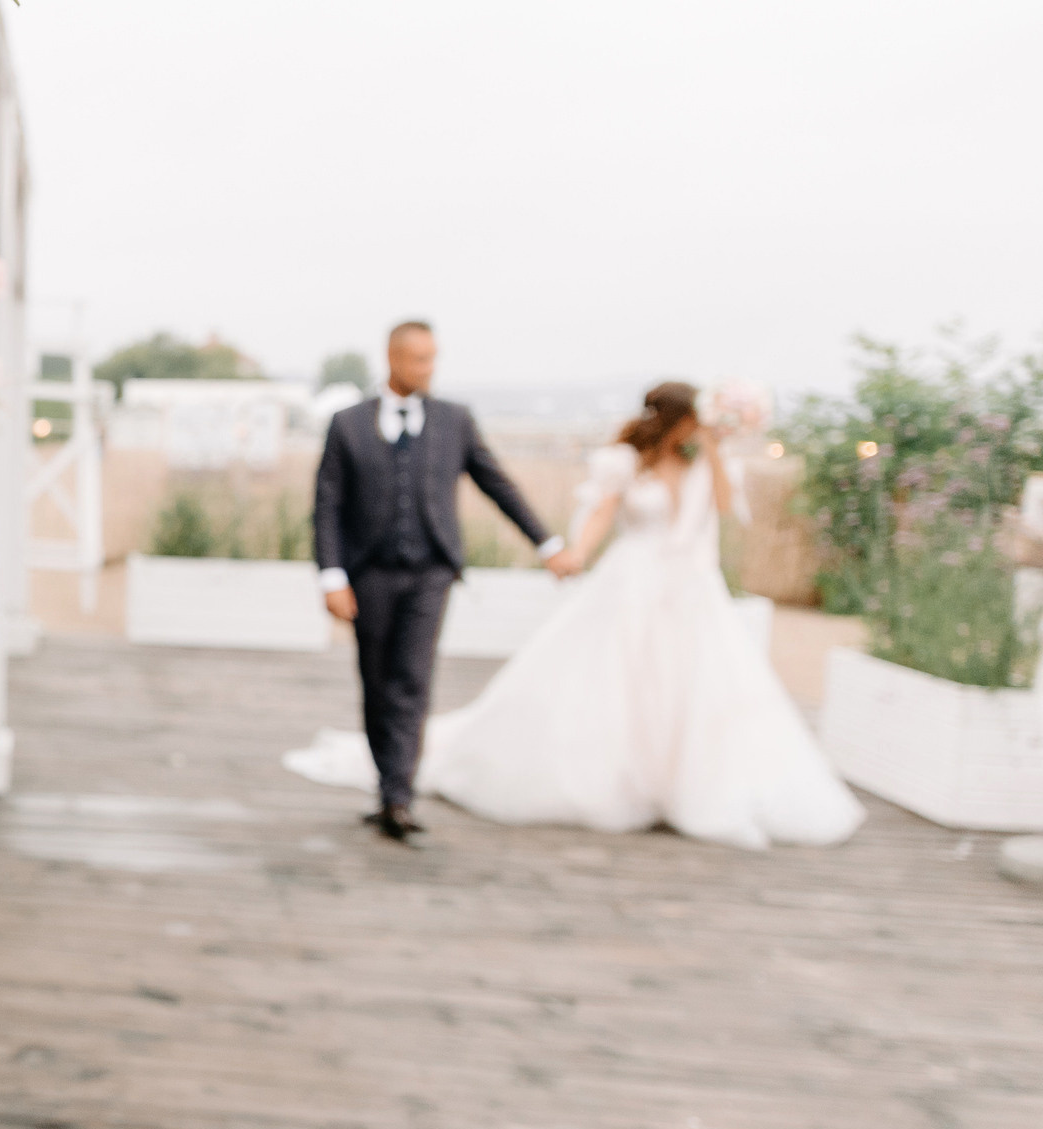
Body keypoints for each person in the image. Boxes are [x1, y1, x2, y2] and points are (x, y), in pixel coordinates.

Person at [291, 381, 864, 850]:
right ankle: (621, 783)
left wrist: (716, 446)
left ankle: (684, 785)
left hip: (691, 592)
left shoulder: (705, 463)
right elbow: (599, 517)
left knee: (695, 688)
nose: (697, 430)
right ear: (672, 419)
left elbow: (722, 505)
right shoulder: (624, 463)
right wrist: (570, 556)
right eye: (693, 422)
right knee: (619, 682)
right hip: (632, 582)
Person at [308, 321, 572, 844]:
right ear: (392, 359)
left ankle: (397, 797)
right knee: (376, 681)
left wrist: (548, 544)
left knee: (412, 680)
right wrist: (332, 576)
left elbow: (498, 484)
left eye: (433, 359)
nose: (429, 369)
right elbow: (327, 506)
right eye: (420, 359)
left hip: (431, 573)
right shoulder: (347, 424)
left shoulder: (455, 420)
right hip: (368, 575)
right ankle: (387, 782)